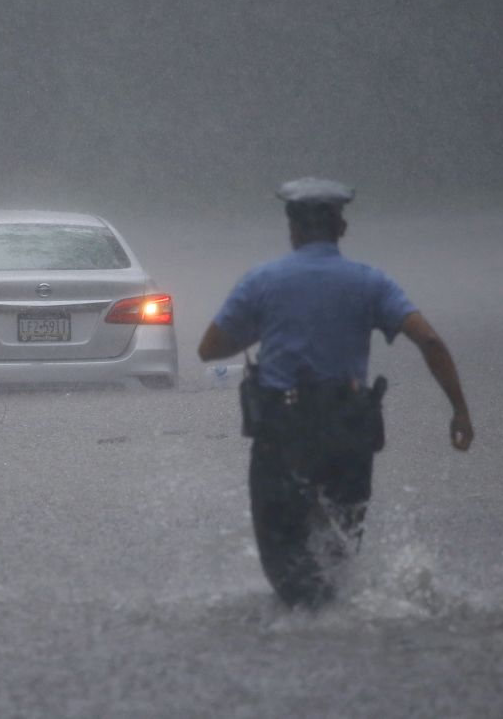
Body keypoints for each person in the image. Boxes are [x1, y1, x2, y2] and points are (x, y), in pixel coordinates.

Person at [198, 176, 473, 607]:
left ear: (292, 229)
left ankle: (299, 635)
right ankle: (339, 628)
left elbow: (209, 349)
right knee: (340, 554)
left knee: (284, 562)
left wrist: (262, 328)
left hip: (281, 435)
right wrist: (459, 411)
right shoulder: (371, 282)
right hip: (348, 434)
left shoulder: (261, 282)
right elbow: (431, 342)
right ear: (340, 228)